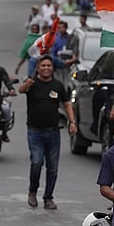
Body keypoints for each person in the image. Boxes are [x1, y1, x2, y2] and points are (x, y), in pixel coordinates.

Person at [18, 55, 77, 210]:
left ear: (53, 68)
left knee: (53, 167)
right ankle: (32, 192)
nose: (46, 68)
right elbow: (21, 90)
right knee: (37, 162)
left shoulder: (58, 85)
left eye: (48, 66)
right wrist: (27, 84)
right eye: (43, 65)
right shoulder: (31, 83)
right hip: (35, 131)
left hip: (53, 133)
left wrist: (72, 122)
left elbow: (67, 104)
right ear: (38, 67)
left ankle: (48, 197)